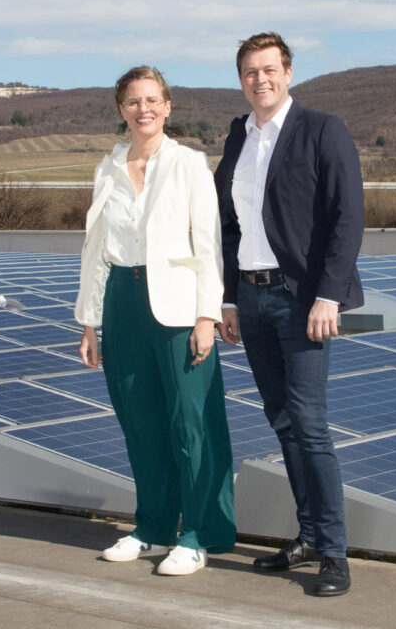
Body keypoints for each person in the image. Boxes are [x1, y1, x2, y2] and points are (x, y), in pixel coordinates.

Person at [214, 33, 364, 596]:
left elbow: (347, 216)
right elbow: (230, 224)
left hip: (301, 299)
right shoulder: (238, 135)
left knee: (309, 423)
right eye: (251, 72)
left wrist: (329, 294)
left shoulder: (323, 130)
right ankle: (306, 537)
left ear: (289, 73)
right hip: (250, 300)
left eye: (270, 69)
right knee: (281, 421)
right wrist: (228, 297)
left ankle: (332, 553)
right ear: (241, 79)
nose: (261, 80)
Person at [75, 65, 235, 576]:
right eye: (132, 102)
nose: (142, 110)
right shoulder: (108, 168)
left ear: (167, 106)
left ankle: (198, 533)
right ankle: (152, 526)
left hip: (179, 307)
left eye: (152, 100)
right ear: (120, 110)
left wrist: (207, 314)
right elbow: (95, 250)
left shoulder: (188, 164)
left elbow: (207, 243)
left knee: (191, 423)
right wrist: (89, 322)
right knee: (139, 423)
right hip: (123, 301)